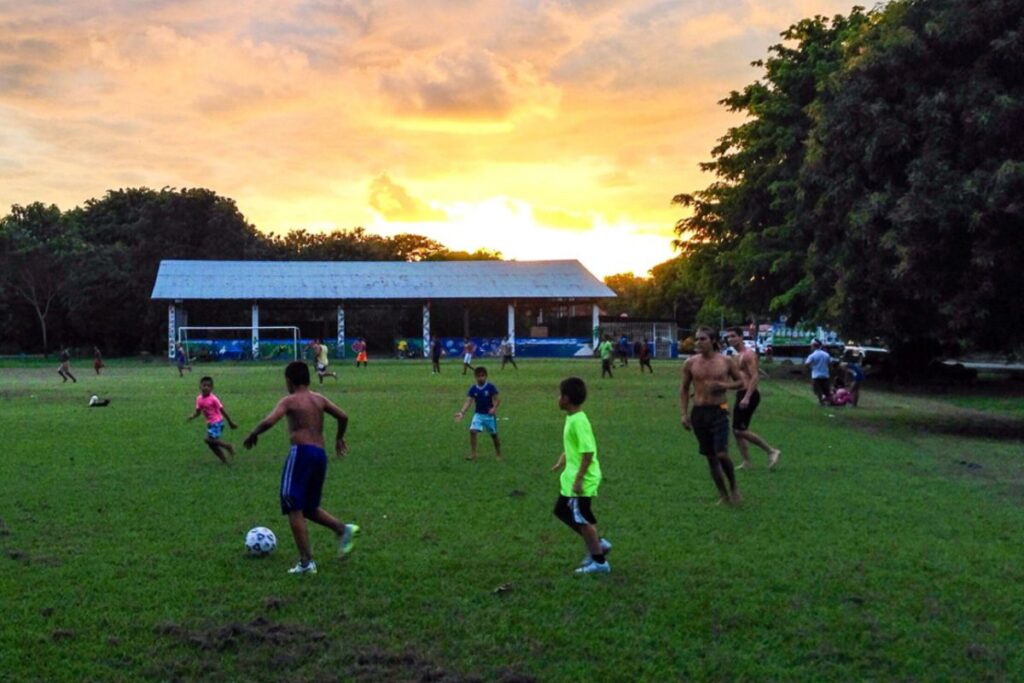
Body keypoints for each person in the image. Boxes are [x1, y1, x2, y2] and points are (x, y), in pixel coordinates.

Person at [243, 361, 359, 575]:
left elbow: (270, 420)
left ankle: (306, 563)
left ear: (289, 381)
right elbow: (343, 416)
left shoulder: (290, 401)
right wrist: (339, 438)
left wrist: (253, 433)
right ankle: (343, 530)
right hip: (320, 455)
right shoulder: (319, 399)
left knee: (292, 504)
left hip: (302, 453)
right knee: (309, 507)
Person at [550, 377, 611, 575]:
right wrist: (563, 459)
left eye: (560, 395)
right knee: (561, 510)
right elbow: (575, 447)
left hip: (582, 480)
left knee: (583, 518)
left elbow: (588, 452)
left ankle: (599, 562)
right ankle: (598, 544)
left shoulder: (579, 421)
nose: (557, 398)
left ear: (566, 399)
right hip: (572, 478)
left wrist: (578, 480)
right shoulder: (572, 418)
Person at [681, 327, 745, 505]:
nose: (698, 343)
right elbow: (685, 389)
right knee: (711, 458)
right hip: (699, 412)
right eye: (697, 339)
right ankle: (723, 495)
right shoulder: (690, 363)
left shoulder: (725, 361)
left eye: (702, 339)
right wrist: (683, 414)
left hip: (719, 410)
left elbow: (741, 382)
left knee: (722, 453)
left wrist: (722, 385)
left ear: (713, 341)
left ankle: (733, 487)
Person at [724, 327, 781, 470]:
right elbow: (739, 379)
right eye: (728, 337)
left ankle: (771, 451)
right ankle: (746, 461)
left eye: (733, 336)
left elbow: (755, 376)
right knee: (737, 430)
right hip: (741, 393)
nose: (730, 339)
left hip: (749, 394)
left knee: (739, 430)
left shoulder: (748, 355)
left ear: (740, 337)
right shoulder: (737, 356)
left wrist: (747, 397)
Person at [186, 376, 238, 464]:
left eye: (208, 386)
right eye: (204, 385)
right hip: (210, 423)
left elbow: (222, 410)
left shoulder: (213, 399)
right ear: (200, 386)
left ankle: (228, 446)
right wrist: (192, 416)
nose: (206, 387)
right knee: (212, 445)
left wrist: (230, 422)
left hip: (217, 422)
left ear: (212, 388)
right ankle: (224, 461)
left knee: (208, 440)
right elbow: (198, 412)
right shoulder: (199, 399)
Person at [454, 366, 502, 461]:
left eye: (482, 375)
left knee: (494, 435)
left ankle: (498, 454)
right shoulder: (473, 389)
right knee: (472, 431)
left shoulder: (490, 387)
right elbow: (468, 401)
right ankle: (473, 454)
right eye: (479, 376)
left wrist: (494, 408)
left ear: (486, 376)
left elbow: (497, 399)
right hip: (478, 415)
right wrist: (462, 412)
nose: (481, 378)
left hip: (489, 415)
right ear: (475, 377)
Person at [805, 340, 832, 405]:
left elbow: (806, 364)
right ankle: (828, 401)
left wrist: (811, 368)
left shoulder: (812, 355)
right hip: (825, 374)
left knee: (818, 390)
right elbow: (830, 363)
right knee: (826, 390)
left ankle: (821, 402)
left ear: (813, 347)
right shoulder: (826, 354)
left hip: (816, 375)